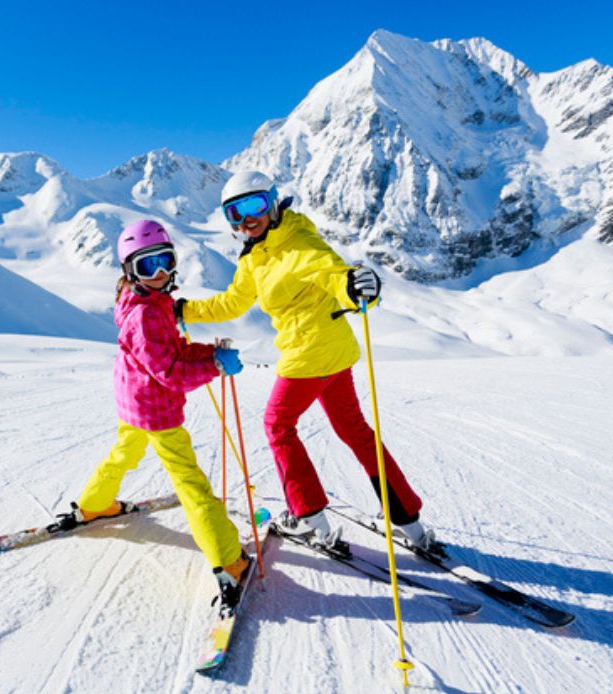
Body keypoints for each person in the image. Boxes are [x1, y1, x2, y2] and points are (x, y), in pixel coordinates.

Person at [174, 171, 434, 555]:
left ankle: (311, 520)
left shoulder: (298, 243)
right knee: (355, 431)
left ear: (274, 202)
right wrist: (185, 310)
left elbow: (332, 273)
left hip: (309, 354)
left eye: (254, 206)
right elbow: (233, 302)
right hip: (334, 354)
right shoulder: (256, 255)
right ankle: (409, 523)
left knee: (278, 425)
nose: (247, 220)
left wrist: (356, 287)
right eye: (235, 213)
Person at [53, 219, 255, 611]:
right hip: (156, 411)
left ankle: (95, 505)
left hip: (132, 403)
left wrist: (207, 353)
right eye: (148, 266)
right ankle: (228, 560)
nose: (160, 274)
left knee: (123, 454)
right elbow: (171, 372)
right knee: (190, 483)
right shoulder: (146, 315)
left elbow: (172, 351)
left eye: (165, 261)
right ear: (130, 272)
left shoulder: (145, 302)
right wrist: (214, 365)